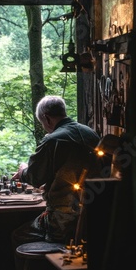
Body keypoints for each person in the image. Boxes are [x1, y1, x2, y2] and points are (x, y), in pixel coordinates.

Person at [12, 95, 101, 248]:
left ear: (46, 118)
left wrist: (22, 172)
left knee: (18, 235)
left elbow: (35, 177)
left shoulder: (52, 140)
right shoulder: (91, 134)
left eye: (42, 123)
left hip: (62, 221)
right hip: (95, 215)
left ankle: (43, 269)